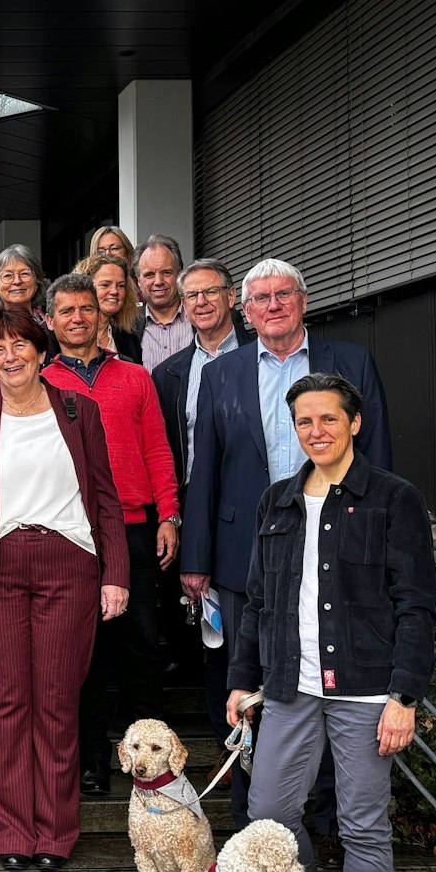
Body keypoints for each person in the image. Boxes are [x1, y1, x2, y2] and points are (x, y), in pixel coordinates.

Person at [228, 371, 434, 872]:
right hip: (292, 684)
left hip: (367, 689)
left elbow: (416, 604)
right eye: (304, 422)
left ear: (354, 423)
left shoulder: (392, 499)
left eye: (327, 419)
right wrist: (243, 678)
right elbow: (257, 601)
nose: (315, 431)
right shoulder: (279, 501)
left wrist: (404, 695)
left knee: (364, 825)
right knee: (270, 810)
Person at [182, 258, 391, 831]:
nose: (272, 306)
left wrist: (378, 544)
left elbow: (378, 458)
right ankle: (255, 814)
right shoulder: (221, 374)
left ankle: (324, 816)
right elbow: (206, 472)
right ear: (243, 311)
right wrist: (196, 560)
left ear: (302, 301)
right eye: (261, 299)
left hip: (338, 546)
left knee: (330, 674)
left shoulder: (350, 363)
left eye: (282, 296)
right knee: (250, 681)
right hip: (244, 552)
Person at [0, 308, 129, 871]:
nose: (10, 356)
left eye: (19, 344)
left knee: (55, 701)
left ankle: (54, 832)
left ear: (40, 350)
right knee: (6, 702)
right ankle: (11, 833)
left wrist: (115, 573)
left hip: (68, 563)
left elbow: (105, 498)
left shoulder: (79, 412)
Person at [37, 274, 180, 797]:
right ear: (49, 321)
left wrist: (169, 514)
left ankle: (157, 765)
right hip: (74, 534)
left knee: (142, 645)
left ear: (102, 317)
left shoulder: (136, 378)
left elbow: (159, 451)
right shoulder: (40, 381)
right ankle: (93, 759)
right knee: (86, 652)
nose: (78, 318)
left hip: (138, 528)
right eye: (67, 311)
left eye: (87, 309)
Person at [149, 257, 248, 712]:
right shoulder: (168, 373)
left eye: (212, 292)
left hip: (250, 508)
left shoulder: (260, 355)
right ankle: (225, 735)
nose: (202, 302)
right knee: (211, 627)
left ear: (232, 298)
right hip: (193, 506)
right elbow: (165, 448)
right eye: (192, 295)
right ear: (183, 305)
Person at [134, 234, 190, 368]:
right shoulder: (128, 330)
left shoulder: (202, 315)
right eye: (149, 275)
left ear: (179, 275)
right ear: (139, 282)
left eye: (166, 272)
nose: (158, 281)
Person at [76, 252, 142, 359]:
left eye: (121, 286)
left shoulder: (129, 341)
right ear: (85, 287)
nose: (114, 291)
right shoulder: (62, 334)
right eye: (105, 285)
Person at [0, 245, 47, 335]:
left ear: (36, 283)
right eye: (7, 275)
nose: (17, 281)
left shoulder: (52, 327)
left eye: (24, 274)